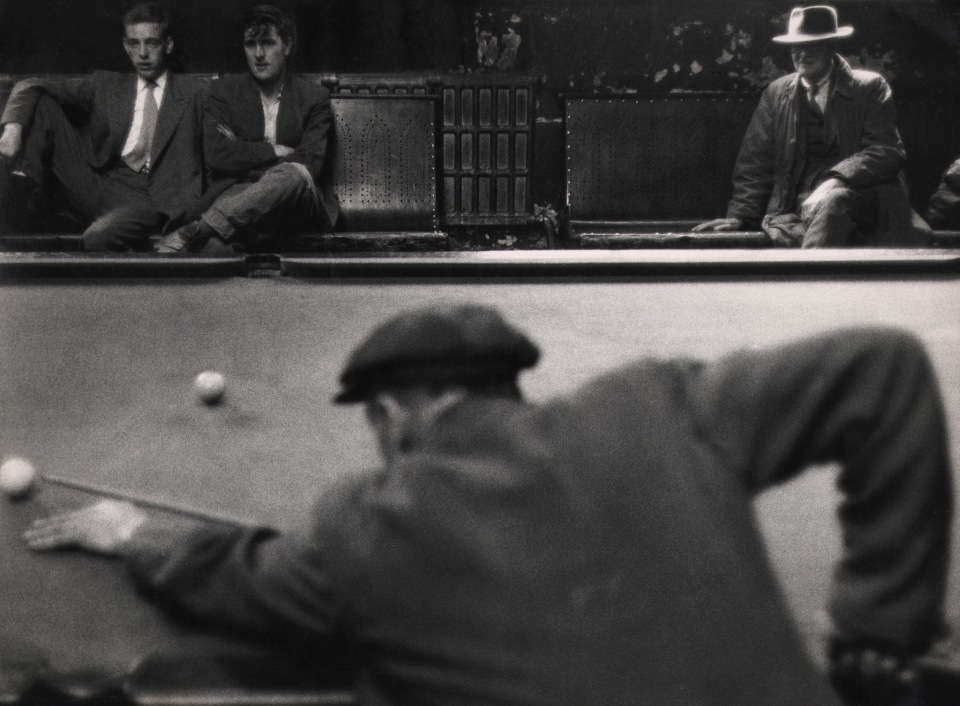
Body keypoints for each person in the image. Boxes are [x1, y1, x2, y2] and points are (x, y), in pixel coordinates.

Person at [24, 304, 952, 706]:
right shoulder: (659, 403)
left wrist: (136, 533)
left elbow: (246, 580)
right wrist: (877, 624)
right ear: (507, 387)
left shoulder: (371, 522)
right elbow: (886, 366)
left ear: (390, 417)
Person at [693, 5, 930, 248]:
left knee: (834, 203)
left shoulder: (869, 88)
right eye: (796, 46)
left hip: (861, 200)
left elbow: (886, 151)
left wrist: (834, 182)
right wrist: (741, 216)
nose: (801, 54)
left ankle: (811, 278)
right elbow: (755, 164)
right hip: (797, 208)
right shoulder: (776, 93)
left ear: (832, 46)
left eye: (811, 45)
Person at [0, 3, 209, 252]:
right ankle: (18, 200)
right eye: (134, 43)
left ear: (168, 45)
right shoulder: (107, 84)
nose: (142, 53)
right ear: (125, 45)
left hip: (147, 194)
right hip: (96, 179)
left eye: (151, 43)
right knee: (44, 105)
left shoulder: (195, 91)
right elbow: (31, 85)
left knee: (97, 239)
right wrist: (12, 129)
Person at [155, 5, 338, 254]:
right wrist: (274, 151)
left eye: (268, 43)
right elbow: (218, 155)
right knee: (214, 251)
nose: (259, 54)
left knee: (295, 173)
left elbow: (310, 163)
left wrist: (246, 156)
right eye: (251, 44)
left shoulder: (314, 97)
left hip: (298, 201)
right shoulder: (222, 93)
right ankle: (213, 238)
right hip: (239, 198)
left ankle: (200, 228)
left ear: (287, 46)